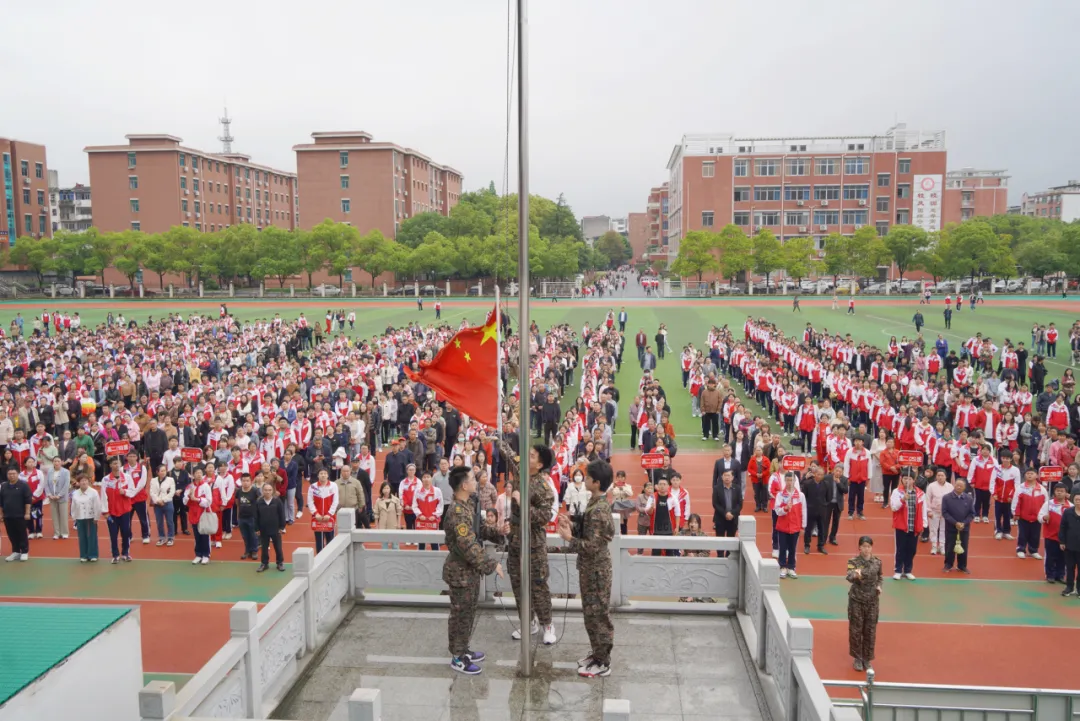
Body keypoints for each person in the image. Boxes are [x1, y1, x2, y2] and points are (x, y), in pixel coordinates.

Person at [443, 465, 505, 675]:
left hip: (469, 571)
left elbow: (479, 530)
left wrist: (498, 532)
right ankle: (457, 657)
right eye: (471, 479)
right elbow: (467, 544)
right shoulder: (457, 512)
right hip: (460, 572)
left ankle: (463, 648)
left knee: (468, 613)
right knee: (460, 614)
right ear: (464, 485)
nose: (475, 481)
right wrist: (491, 564)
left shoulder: (469, 504)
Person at [557, 458, 615, 678]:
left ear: (597, 482)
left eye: (588, 477)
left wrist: (569, 538)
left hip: (597, 571)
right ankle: (597, 654)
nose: (585, 479)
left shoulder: (599, 509)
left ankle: (603, 661)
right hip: (591, 569)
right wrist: (572, 526)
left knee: (598, 615)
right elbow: (589, 532)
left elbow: (593, 545)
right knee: (590, 614)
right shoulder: (594, 502)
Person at [509, 443, 557, 644]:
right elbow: (510, 454)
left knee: (538, 585)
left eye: (532, 456)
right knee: (518, 584)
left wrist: (522, 502)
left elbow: (544, 517)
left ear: (539, 465)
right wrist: (495, 437)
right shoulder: (520, 472)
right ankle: (528, 622)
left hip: (534, 543)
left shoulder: (543, 488)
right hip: (515, 540)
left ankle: (547, 624)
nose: (526, 457)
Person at [846, 535, 882, 673]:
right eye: (864, 546)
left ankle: (867, 658)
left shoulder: (877, 562)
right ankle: (857, 658)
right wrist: (856, 575)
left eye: (869, 546)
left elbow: (880, 577)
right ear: (859, 548)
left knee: (870, 631)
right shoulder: (853, 562)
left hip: (872, 602)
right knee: (856, 630)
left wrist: (879, 586)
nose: (867, 549)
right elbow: (849, 577)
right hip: (857, 600)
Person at [890, 473, 927, 580]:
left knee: (911, 549)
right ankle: (898, 570)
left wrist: (924, 523)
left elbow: (924, 508)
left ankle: (907, 570)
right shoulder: (897, 492)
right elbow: (894, 507)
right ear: (901, 479)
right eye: (905, 478)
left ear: (914, 480)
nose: (907, 481)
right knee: (900, 549)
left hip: (914, 525)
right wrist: (902, 500)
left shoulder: (920, 493)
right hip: (901, 525)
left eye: (910, 479)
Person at [102, 457, 136, 563]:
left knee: (126, 533)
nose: (116, 465)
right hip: (112, 512)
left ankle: (125, 553)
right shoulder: (106, 479)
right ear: (110, 465)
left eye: (118, 463)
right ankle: (115, 555)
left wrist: (124, 492)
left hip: (125, 511)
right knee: (113, 534)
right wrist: (105, 512)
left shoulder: (127, 478)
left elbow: (132, 491)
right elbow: (103, 496)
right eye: (114, 463)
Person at [774, 472, 806, 579]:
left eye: (791, 480)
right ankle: (782, 566)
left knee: (793, 548)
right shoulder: (780, 495)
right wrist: (785, 508)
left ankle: (791, 567)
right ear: (785, 481)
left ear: (795, 481)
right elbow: (777, 511)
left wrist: (803, 526)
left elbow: (804, 511)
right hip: (783, 527)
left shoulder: (800, 496)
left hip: (795, 527)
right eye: (787, 480)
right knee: (782, 548)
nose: (789, 482)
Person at [942, 477, 975, 573]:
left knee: (964, 546)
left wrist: (964, 523)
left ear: (964, 487)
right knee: (949, 546)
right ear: (954, 485)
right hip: (951, 527)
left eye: (961, 486)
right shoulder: (946, 498)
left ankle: (962, 566)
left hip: (964, 528)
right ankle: (948, 564)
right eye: (957, 485)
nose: (959, 487)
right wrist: (955, 522)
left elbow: (972, 514)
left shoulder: (969, 498)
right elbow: (945, 513)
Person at [183, 468, 215, 565]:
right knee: (196, 535)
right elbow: (184, 502)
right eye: (197, 473)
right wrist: (189, 496)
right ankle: (198, 554)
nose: (199, 474)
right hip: (193, 513)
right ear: (193, 475)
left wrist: (197, 499)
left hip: (203, 513)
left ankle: (206, 555)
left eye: (200, 473)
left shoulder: (206, 486)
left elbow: (209, 501)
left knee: (204, 535)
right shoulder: (189, 486)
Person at [254, 481, 286, 572]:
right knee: (264, 548)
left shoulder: (277, 501)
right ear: (262, 491)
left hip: (275, 529)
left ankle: (280, 563)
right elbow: (256, 516)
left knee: (278, 547)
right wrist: (256, 528)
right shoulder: (259, 502)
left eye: (269, 490)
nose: (267, 492)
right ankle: (264, 564)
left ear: (272, 491)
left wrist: (282, 527)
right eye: (265, 490)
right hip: (263, 529)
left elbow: (282, 514)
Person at [70, 473, 102, 562]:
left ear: (88, 482)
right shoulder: (75, 493)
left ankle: (93, 555)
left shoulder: (94, 492)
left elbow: (97, 506)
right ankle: (83, 555)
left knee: (91, 536)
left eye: (85, 480)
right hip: (80, 517)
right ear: (78, 482)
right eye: (81, 481)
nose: (84, 482)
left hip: (90, 517)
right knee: (82, 537)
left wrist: (96, 517)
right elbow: (73, 506)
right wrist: (74, 517)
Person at [1, 467, 31, 561]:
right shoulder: (4, 486)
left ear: (18, 474)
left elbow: (28, 501)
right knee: (11, 534)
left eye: (14, 474)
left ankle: (24, 551)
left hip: (20, 515)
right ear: (7, 475)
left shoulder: (24, 485)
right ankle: (16, 551)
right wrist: (1, 514)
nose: (12, 476)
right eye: (10, 474)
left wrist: (27, 513)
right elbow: (1, 502)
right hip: (7, 515)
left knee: (22, 533)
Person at [308, 469, 340, 553]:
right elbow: (310, 502)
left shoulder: (333, 486)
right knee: (319, 542)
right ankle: (319, 558)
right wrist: (316, 514)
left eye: (325, 473)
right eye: (321, 473)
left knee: (330, 540)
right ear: (318, 475)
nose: (323, 475)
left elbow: (335, 501)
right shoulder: (313, 487)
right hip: (317, 518)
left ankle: (331, 558)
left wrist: (329, 514)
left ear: (328, 475)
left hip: (329, 518)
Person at [712, 469, 740, 557]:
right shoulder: (717, 488)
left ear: (732, 477)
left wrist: (732, 513)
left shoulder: (737, 488)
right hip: (720, 518)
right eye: (725, 475)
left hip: (733, 519)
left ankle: (729, 556)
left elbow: (739, 504)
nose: (727, 477)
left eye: (729, 475)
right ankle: (720, 557)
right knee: (720, 539)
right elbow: (715, 504)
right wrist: (725, 514)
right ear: (722, 477)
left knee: (731, 539)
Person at [926, 469, 954, 555]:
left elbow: (952, 499)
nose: (940, 477)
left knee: (944, 529)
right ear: (936, 476)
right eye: (938, 475)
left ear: (946, 477)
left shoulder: (950, 486)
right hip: (934, 511)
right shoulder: (931, 486)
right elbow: (927, 499)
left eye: (942, 475)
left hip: (946, 512)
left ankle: (942, 546)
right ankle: (934, 546)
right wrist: (928, 511)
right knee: (933, 529)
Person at [1058, 488, 1080, 596]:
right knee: (1070, 567)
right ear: (1073, 500)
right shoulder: (1068, 512)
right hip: (1069, 545)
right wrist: (1062, 542)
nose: (1078, 502)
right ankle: (1069, 587)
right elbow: (1062, 527)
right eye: (1076, 500)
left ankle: (1079, 589)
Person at [44, 455, 71, 539]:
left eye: (58, 461)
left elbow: (66, 485)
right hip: (52, 497)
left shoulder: (66, 472)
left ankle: (64, 532)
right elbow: (46, 484)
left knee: (63, 515)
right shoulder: (50, 471)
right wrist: (49, 494)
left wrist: (59, 495)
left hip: (62, 497)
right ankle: (57, 533)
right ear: (53, 462)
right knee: (54, 516)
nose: (56, 463)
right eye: (55, 461)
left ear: (61, 462)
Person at [149, 464, 176, 547]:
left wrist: (163, 500)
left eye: (165, 470)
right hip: (157, 505)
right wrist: (158, 501)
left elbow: (171, 492)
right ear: (157, 472)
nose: (164, 472)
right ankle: (162, 538)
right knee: (159, 522)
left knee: (170, 521)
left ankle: (170, 538)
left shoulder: (170, 480)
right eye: (162, 471)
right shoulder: (153, 480)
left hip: (168, 503)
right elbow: (152, 492)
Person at [235, 474, 261, 560]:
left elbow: (260, 503)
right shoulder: (238, 491)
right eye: (243, 481)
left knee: (253, 535)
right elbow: (237, 503)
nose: (245, 483)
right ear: (241, 481)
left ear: (251, 481)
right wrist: (238, 517)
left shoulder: (255, 491)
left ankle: (254, 551)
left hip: (252, 517)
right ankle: (247, 551)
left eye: (247, 481)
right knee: (245, 536)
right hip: (242, 517)